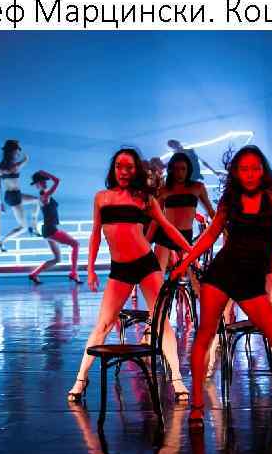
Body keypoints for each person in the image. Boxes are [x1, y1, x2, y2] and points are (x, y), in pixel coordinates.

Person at [171, 145, 272, 430]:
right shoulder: (230, 199)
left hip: (252, 281)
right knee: (205, 335)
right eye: (244, 169)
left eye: (254, 168)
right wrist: (185, 262)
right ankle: (197, 405)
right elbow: (211, 235)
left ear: (263, 170)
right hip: (221, 274)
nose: (249, 174)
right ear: (236, 171)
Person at [66, 148, 193, 403]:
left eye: (129, 167)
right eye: (119, 166)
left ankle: (177, 378)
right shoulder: (101, 198)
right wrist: (90, 269)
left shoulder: (144, 199)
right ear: (113, 169)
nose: (123, 172)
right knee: (103, 324)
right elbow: (95, 234)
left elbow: (168, 227)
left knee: (161, 322)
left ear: (136, 171)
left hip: (146, 265)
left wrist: (191, 251)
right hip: (120, 269)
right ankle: (81, 379)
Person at [144, 152, 216, 271]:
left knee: (193, 275)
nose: (179, 173)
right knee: (158, 274)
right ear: (171, 170)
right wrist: (146, 242)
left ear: (188, 170)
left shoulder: (198, 187)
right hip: (165, 236)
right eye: (176, 169)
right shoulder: (164, 190)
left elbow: (210, 210)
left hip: (185, 237)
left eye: (183, 169)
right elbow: (156, 219)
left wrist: (224, 229)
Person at [27, 171, 81, 284]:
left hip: (47, 230)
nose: (45, 183)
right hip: (51, 230)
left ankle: (34, 274)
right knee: (75, 244)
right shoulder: (45, 196)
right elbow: (57, 181)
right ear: (37, 185)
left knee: (57, 259)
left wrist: (45, 175)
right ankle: (73, 273)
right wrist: (45, 173)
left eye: (44, 181)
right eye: (42, 181)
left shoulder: (45, 195)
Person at [0, 140, 38, 252]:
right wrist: (23, 155)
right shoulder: (15, 166)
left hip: (12, 195)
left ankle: (33, 226)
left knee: (37, 201)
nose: (18, 152)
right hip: (14, 198)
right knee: (23, 227)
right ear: (12, 151)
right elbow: (26, 159)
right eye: (17, 150)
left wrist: (0, 204)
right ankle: (1, 242)